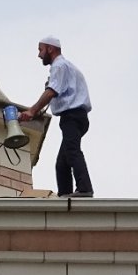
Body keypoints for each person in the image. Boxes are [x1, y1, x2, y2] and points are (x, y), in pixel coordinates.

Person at [19, 36, 93, 198]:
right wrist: (34, 112)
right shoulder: (64, 67)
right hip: (74, 117)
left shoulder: (59, 66)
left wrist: (32, 111)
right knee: (62, 163)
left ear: (50, 49)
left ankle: (85, 189)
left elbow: (51, 91)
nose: (39, 55)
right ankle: (65, 196)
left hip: (72, 116)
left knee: (72, 151)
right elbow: (52, 95)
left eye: (40, 50)